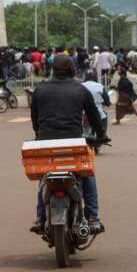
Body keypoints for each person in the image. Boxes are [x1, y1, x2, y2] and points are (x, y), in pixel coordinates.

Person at [29, 55, 107, 234]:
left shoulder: (39, 90)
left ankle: (40, 217)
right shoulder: (81, 90)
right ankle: (93, 217)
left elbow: (35, 120)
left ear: (52, 70)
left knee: (44, 178)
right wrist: (101, 135)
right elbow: (94, 118)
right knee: (87, 174)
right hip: (74, 142)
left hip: (45, 142)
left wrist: (39, 136)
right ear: (73, 70)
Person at [82, 70, 111, 134]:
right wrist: (107, 103)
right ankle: (103, 135)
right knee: (104, 115)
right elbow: (107, 101)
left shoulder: (80, 86)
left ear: (85, 77)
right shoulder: (100, 86)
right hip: (98, 112)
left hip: (83, 112)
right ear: (95, 77)